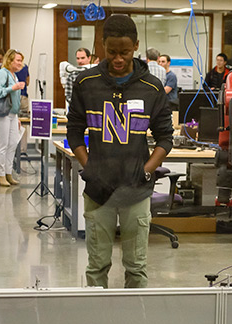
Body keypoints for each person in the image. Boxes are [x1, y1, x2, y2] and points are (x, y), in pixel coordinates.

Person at [66, 14, 174, 288]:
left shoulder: (151, 87)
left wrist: (146, 171)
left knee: (136, 268)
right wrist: (89, 166)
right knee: (96, 266)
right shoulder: (85, 83)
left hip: (135, 190)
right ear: (102, 46)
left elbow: (165, 138)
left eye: (124, 52)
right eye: (112, 51)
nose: (118, 58)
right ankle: (96, 322)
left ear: (136, 46)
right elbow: (74, 132)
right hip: (98, 189)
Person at [0, 49, 26, 187]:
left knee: (12, 145)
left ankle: (8, 173)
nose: (20, 63)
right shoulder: (2, 73)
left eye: (21, 60)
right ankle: (0, 175)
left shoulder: (13, 75)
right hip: (2, 114)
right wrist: (13, 87)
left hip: (12, 114)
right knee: (2, 145)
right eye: (18, 60)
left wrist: (16, 116)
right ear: (9, 60)